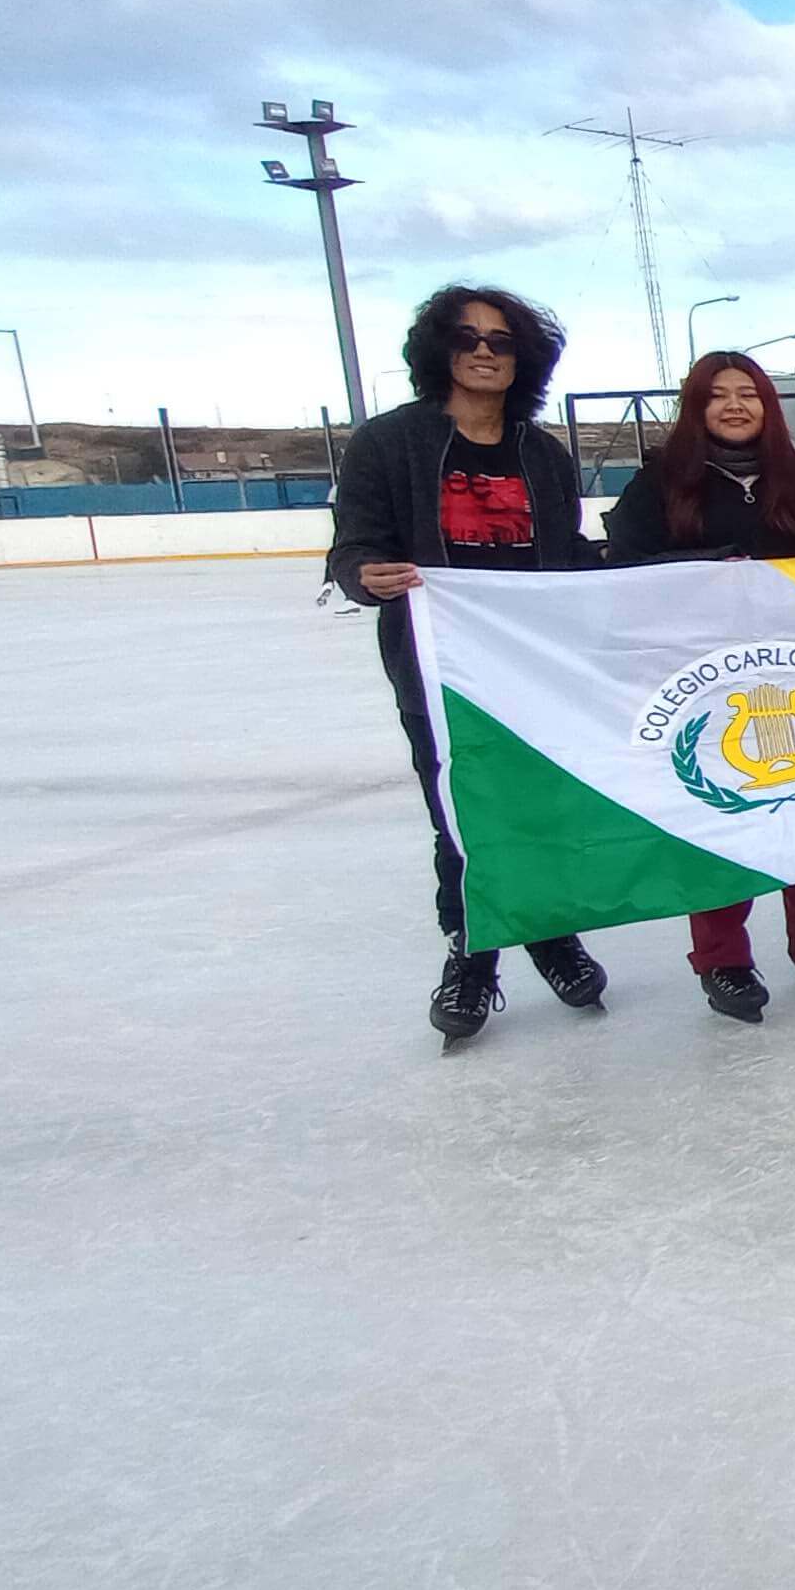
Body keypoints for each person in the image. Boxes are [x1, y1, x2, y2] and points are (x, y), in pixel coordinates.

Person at [327, 283, 608, 1045]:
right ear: (440, 351)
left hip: (533, 668)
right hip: (438, 667)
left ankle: (548, 929)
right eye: (469, 337)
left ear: (526, 358)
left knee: (543, 808)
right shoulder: (388, 443)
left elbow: (567, 558)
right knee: (461, 813)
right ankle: (474, 952)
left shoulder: (541, 455)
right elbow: (353, 545)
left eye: (502, 340)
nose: (485, 351)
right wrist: (364, 576)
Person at [602, 352, 795, 1019]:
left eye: (749, 394)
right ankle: (722, 958)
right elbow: (623, 570)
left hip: (793, 672)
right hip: (701, 681)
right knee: (717, 810)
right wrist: (706, 566)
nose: (736, 406)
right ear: (697, 407)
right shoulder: (662, 483)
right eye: (719, 396)